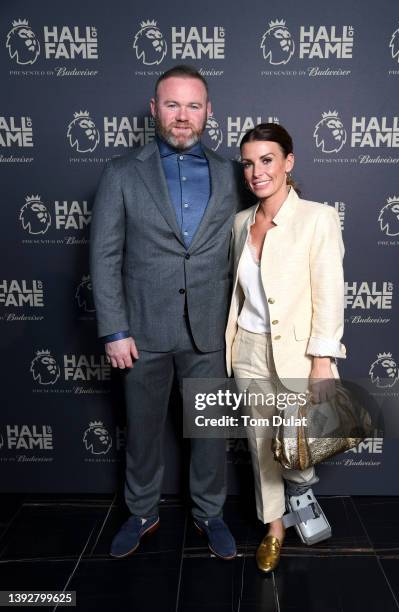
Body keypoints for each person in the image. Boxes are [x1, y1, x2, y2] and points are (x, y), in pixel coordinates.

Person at [90, 65, 244, 560]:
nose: (183, 116)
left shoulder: (230, 174)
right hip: (143, 332)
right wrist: (115, 328)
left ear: (208, 112)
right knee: (142, 433)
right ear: (154, 109)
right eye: (172, 105)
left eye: (193, 106)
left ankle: (209, 513)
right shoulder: (120, 172)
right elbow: (105, 255)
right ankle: (141, 511)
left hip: (210, 332)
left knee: (210, 435)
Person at [225, 123, 346, 572]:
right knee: (260, 445)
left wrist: (322, 359)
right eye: (249, 164)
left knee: (296, 443)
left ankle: (302, 493)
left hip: (298, 352)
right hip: (248, 351)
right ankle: (274, 528)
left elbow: (329, 292)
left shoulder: (317, 217)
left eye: (267, 160)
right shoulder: (240, 223)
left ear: (288, 162)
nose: (257, 172)